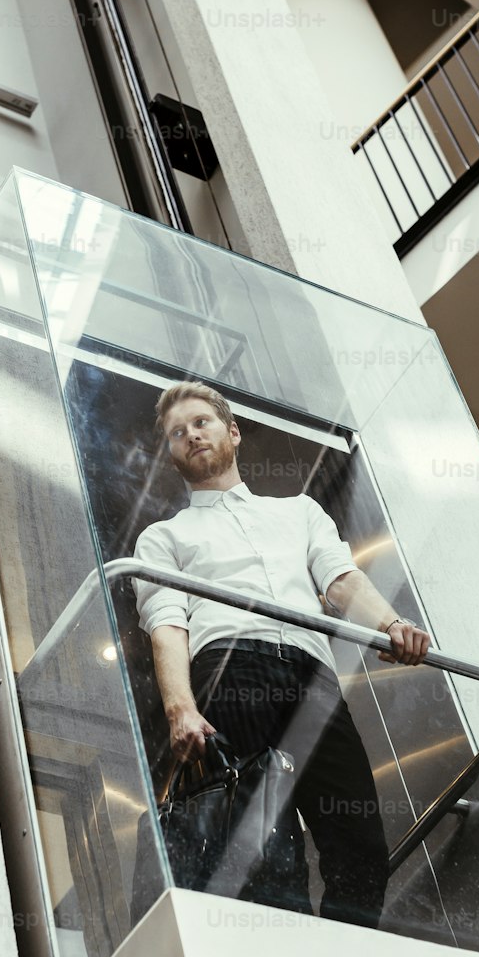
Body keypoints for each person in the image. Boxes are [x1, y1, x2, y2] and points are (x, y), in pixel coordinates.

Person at [132, 381, 431, 928]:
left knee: (359, 841)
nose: (191, 435)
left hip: (313, 678)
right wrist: (180, 708)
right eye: (178, 432)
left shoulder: (298, 512)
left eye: (202, 422)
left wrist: (392, 625)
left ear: (233, 431)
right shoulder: (163, 536)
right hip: (230, 667)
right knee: (260, 838)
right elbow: (166, 624)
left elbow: (340, 579)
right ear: (172, 454)